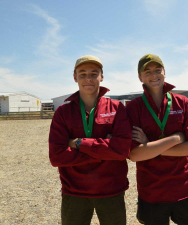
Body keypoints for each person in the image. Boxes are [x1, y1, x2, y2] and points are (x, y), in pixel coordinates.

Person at [49, 55, 132, 225]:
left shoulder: (116, 108)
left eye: (94, 74)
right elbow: (57, 157)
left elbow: (123, 150)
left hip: (111, 190)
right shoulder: (63, 113)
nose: (89, 78)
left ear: (102, 76)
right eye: (83, 74)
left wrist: (79, 143)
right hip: (74, 191)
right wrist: (106, 149)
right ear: (75, 77)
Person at [126, 54, 188, 225]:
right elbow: (134, 155)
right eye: (147, 71)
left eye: (157, 70)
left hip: (183, 187)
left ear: (164, 72)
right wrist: (177, 138)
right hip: (151, 190)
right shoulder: (133, 107)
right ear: (140, 76)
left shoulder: (183, 103)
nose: (153, 75)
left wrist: (150, 147)